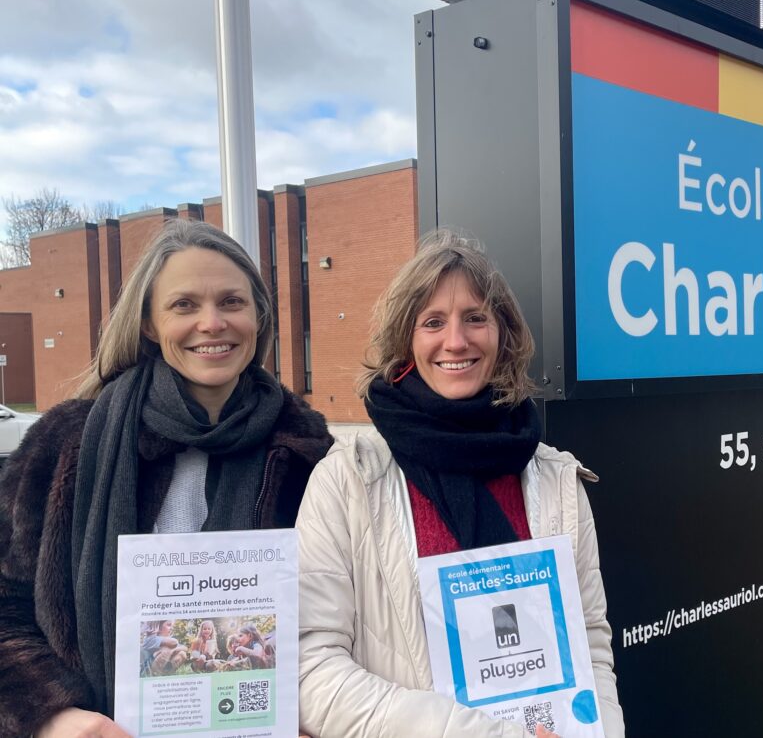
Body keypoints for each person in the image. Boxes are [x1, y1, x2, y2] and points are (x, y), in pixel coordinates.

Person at [0, 219, 334, 737]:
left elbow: (334, 618)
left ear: (258, 317)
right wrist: (51, 714)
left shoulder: (308, 453)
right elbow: (5, 605)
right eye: (184, 305)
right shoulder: (67, 442)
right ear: (150, 324)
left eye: (231, 302)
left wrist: (315, 709)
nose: (212, 322)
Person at [296, 230, 624, 738]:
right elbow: (312, 672)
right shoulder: (347, 481)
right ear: (406, 340)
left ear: (502, 334)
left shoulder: (555, 478)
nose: (456, 341)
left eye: (475, 317)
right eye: (433, 322)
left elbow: (591, 645)